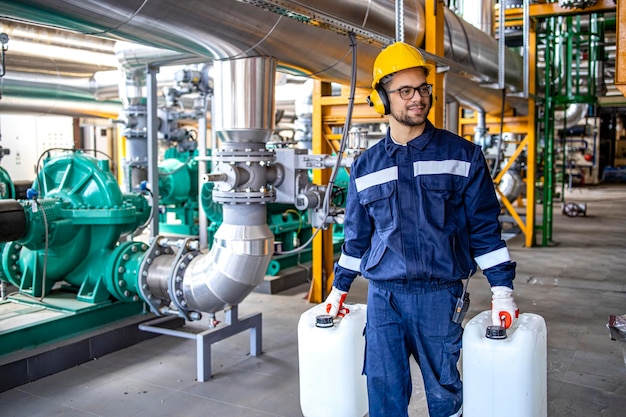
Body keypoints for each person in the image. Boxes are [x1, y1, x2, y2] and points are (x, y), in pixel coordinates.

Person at [323, 42, 519, 417]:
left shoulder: (462, 156)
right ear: (382, 100)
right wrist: (338, 290)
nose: (418, 99)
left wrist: (502, 290)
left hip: (439, 295)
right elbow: (356, 239)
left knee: (444, 394)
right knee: (383, 392)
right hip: (384, 298)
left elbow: (484, 230)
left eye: (423, 89)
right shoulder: (365, 166)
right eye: (406, 91)